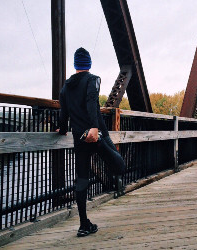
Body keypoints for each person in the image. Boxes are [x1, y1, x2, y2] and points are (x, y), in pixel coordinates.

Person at [57, 47, 126, 237]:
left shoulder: (65, 87)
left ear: (75, 65)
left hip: (79, 138)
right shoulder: (93, 79)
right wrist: (95, 128)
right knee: (119, 166)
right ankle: (85, 223)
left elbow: (63, 113)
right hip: (95, 135)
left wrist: (62, 130)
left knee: (82, 180)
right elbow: (91, 101)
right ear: (88, 64)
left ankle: (83, 224)